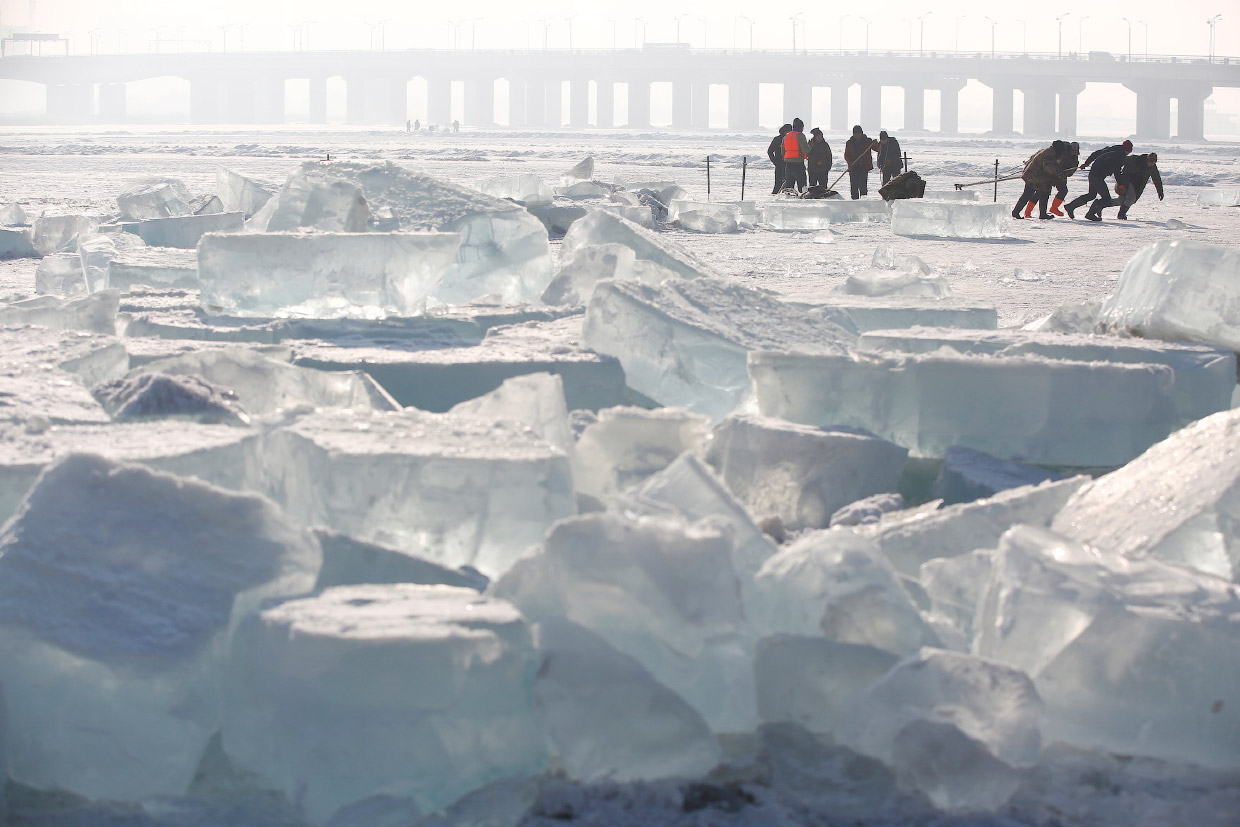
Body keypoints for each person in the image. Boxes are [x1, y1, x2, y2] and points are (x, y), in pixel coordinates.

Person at [1065, 139, 1133, 220]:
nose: (1128, 153)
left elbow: (1095, 154)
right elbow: (1117, 171)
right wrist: (1120, 184)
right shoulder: (1119, 155)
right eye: (1129, 152)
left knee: (1091, 195)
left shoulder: (1110, 149)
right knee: (1106, 198)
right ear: (1127, 150)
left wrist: (1086, 163)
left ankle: (1070, 207)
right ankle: (1090, 214)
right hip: (1097, 176)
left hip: (1094, 173)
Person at [1013, 140, 1069, 220]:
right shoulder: (1050, 154)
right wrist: (1058, 173)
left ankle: (1042, 214)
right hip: (1035, 176)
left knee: (1044, 193)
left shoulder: (1047, 151)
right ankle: (1016, 212)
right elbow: (1048, 167)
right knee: (1029, 194)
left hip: (1037, 176)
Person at [1102, 153, 1164, 220]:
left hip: (1136, 186)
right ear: (1146, 159)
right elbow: (1120, 161)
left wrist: (1160, 191)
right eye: (1150, 161)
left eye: (1154, 162)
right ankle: (1121, 214)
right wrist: (1111, 169)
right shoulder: (1134, 159)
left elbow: (1156, 179)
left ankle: (1100, 205)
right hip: (1126, 181)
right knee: (1131, 198)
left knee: (1121, 200)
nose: (1152, 163)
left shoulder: (1152, 167)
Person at [843, 125, 877, 199]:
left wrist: (876, 144)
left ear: (861, 133)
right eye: (856, 134)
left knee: (863, 186)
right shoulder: (849, 143)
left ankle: (863, 201)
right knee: (854, 186)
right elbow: (846, 155)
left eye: (859, 133)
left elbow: (877, 149)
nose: (857, 135)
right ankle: (855, 201)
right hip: (853, 167)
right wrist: (850, 163)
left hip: (864, 167)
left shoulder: (867, 141)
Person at [1048, 141, 1080, 217]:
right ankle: (1028, 212)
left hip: (1061, 177)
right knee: (1042, 192)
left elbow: (1072, 170)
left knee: (1063, 191)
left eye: (1076, 151)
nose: (1074, 153)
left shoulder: (1074, 158)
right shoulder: (1061, 152)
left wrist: (1067, 172)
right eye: (1073, 151)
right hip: (1050, 174)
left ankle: (1054, 208)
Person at [781, 117, 810, 194]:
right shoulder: (800, 136)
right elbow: (805, 150)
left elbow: (783, 152)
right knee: (802, 187)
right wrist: (810, 146)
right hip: (798, 165)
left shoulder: (786, 136)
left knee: (789, 189)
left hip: (788, 165)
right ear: (801, 127)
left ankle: (788, 203)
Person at [768, 124, 792, 194]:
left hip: (788, 164)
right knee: (778, 184)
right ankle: (775, 197)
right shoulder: (777, 139)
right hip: (780, 164)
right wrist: (775, 162)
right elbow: (770, 151)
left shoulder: (790, 139)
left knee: (787, 184)